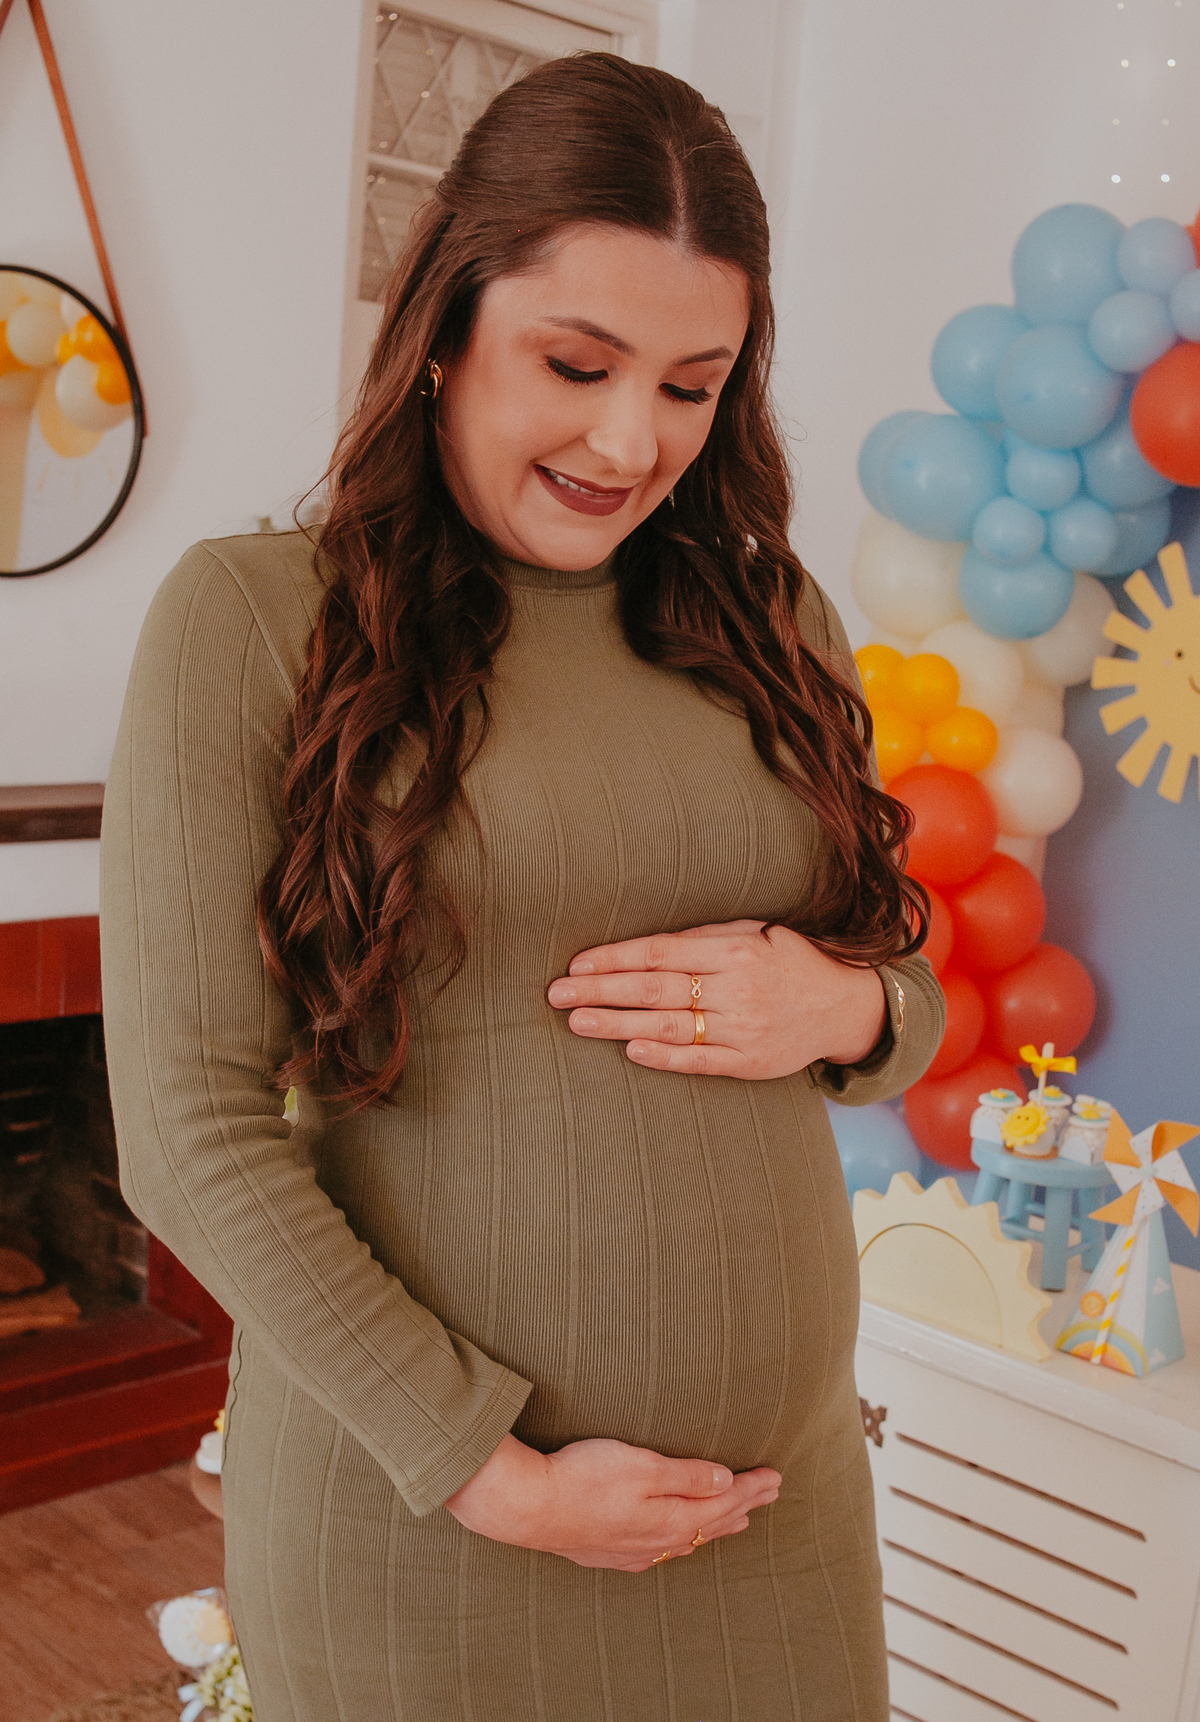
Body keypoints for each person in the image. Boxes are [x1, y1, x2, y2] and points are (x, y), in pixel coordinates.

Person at [101, 52, 943, 1722]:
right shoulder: (255, 621)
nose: (634, 440)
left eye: (695, 386)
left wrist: (847, 1004)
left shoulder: (773, 626)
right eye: (579, 361)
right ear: (446, 321)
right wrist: (486, 1460)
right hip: (435, 1532)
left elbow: (897, 980)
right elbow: (185, 1133)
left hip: (774, 1531)